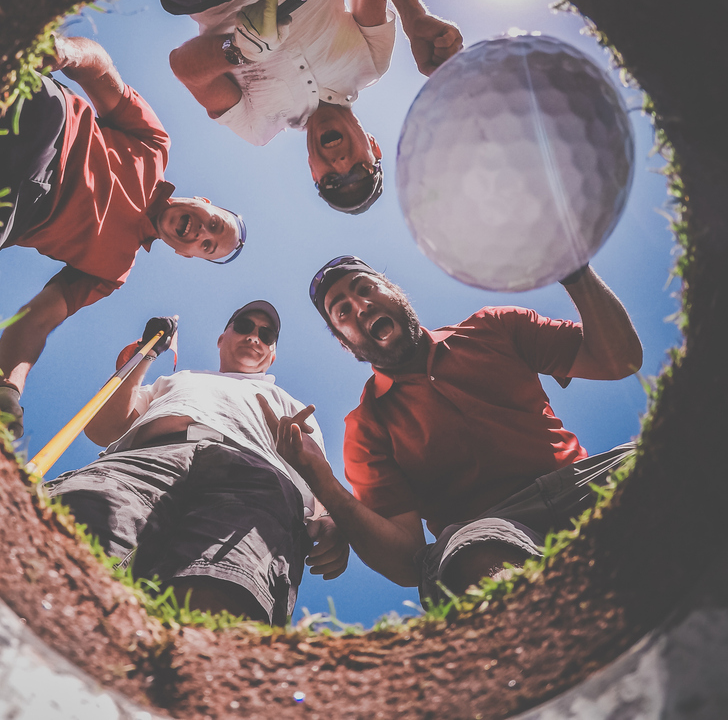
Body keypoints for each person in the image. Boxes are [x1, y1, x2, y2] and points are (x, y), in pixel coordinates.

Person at [262, 255, 642, 604]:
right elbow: (407, 561)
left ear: (396, 293)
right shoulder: (367, 427)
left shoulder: (496, 327)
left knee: (656, 456)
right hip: (486, 531)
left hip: (580, 485)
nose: (360, 306)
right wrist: (323, 481)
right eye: (342, 311)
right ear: (349, 346)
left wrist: (573, 269)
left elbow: (619, 360)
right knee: (470, 557)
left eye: (365, 289)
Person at [0, 36, 247, 431]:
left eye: (207, 245)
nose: (202, 231)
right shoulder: (154, 146)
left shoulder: (111, 272)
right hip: (49, 123)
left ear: (187, 255)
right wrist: (64, 52)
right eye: (214, 223)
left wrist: (8, 389)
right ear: (203, 201)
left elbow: (37, 320)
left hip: (14, 208)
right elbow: (101, 71)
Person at [45, 302, 348, 624]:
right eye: (244, 325)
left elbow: (313, 469)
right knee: (70, 537)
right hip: (148, 459)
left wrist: (330, 516)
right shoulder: (175, 379)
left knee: (224, 591)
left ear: (272, 354)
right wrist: (145, 357)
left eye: (266, 334)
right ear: (222, 338)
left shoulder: (290, 402)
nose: (254, 337)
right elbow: (102, 429)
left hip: (258, 480)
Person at [155, 0, 463, 214]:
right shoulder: (372, 62)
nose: (341, 164)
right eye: (359, 170)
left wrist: (236, 50)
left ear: (312, 171)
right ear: (374, 147)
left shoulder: (257, 127)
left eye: (331, 181)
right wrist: (413, 17)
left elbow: (183, 67)